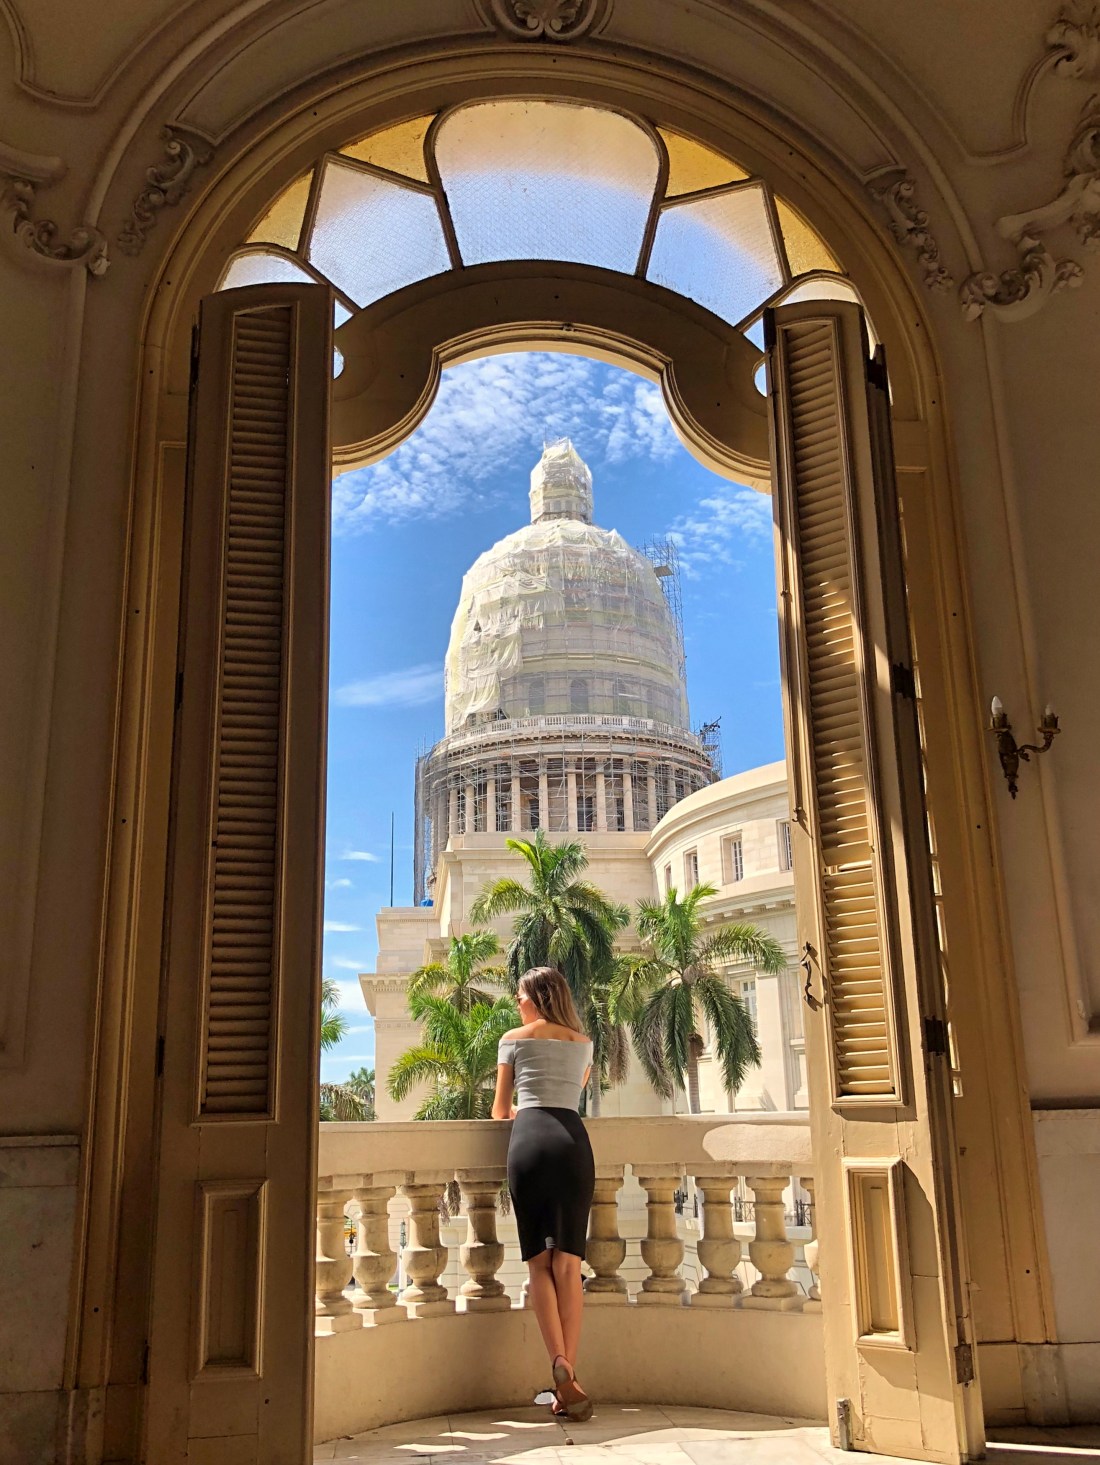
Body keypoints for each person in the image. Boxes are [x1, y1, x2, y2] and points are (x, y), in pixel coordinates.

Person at [492, 966, 596, 1422]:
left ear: (535, 998)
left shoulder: (513, 1039)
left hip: (530, 1140)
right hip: (573, 1143)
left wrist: (521, 1109)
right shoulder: (583, 1043)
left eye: (519, 997)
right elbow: (573, 1093)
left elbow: (500, 1110)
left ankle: (558, 1362)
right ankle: (568, 1377)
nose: (517, 1005)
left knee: (539, 1261)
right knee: (569, 1264)